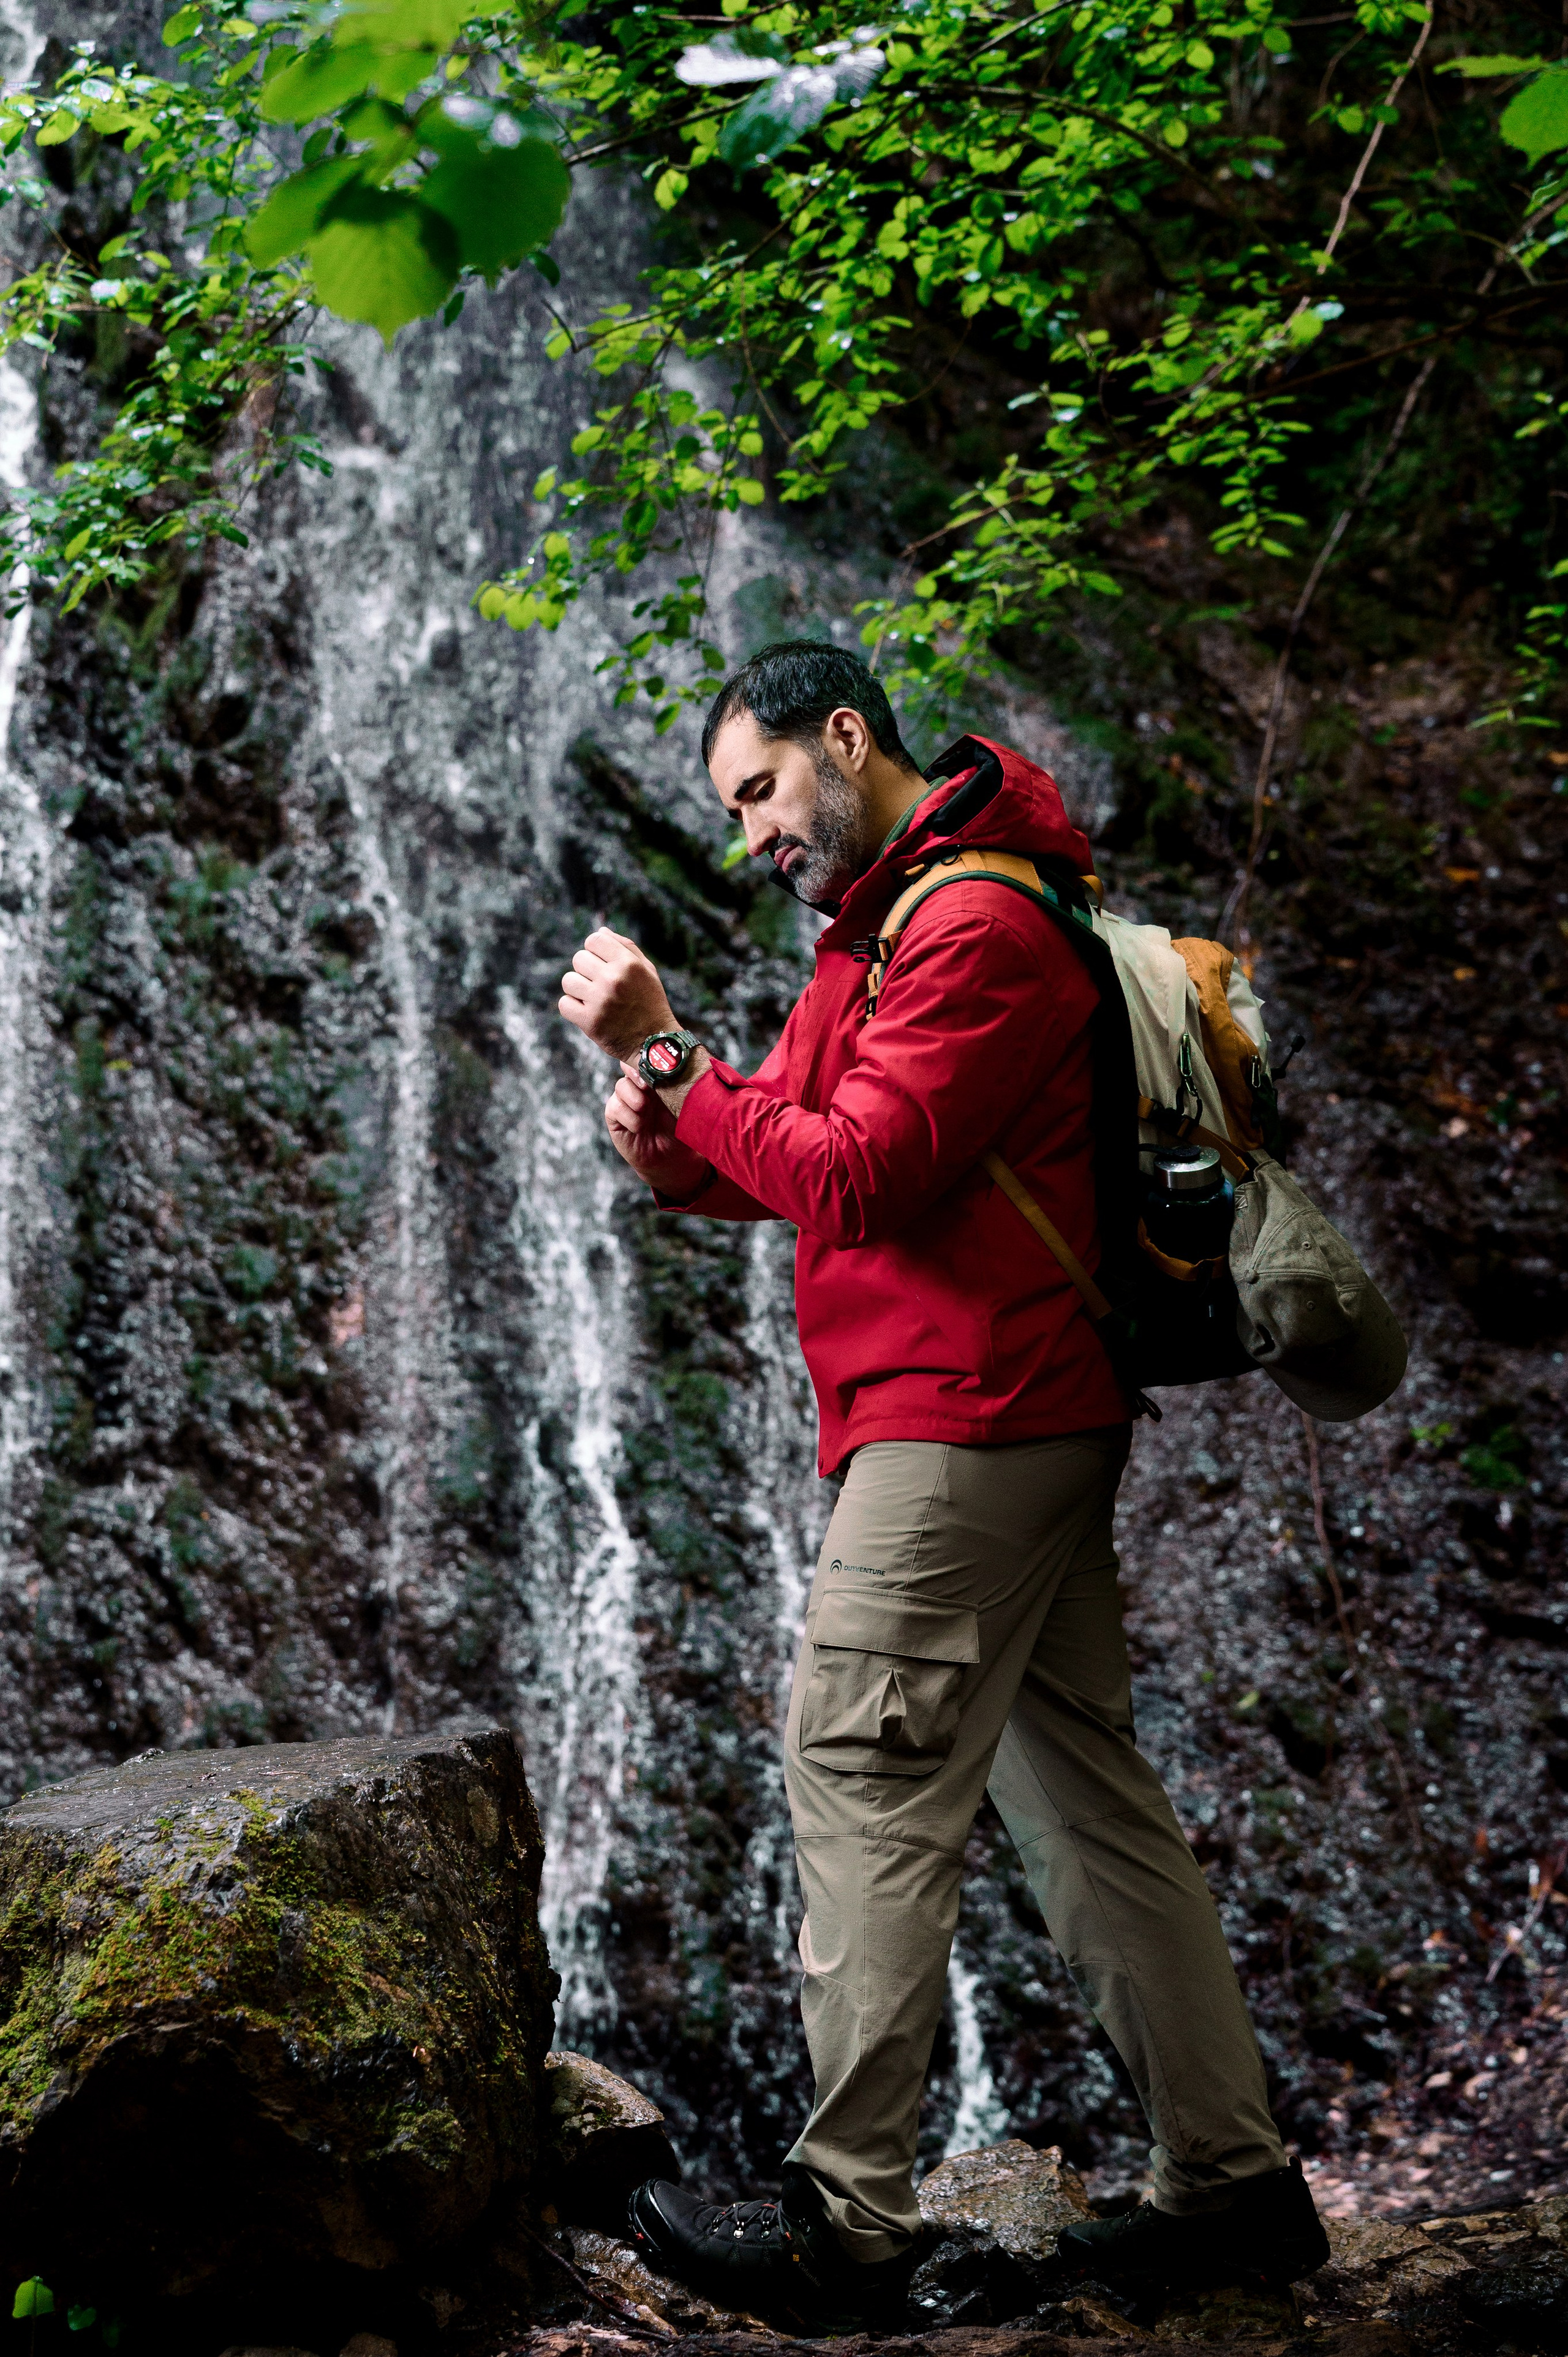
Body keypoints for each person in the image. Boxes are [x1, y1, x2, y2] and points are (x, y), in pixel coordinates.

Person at [555, 641, 1329, 2326]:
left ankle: (850, 2227)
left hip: (970, 1414)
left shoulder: (976, 924)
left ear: (846, 739)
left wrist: (680, 1053)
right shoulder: (886, 930)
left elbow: (867, 1167)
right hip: (996, 1406)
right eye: (732, 813)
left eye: (760, 790)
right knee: (1084, 1804)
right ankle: (1236, 2184)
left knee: (858, 1757)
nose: (752, 833)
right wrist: (677, 1149)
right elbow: (811, 1156)